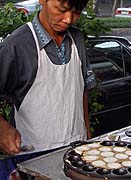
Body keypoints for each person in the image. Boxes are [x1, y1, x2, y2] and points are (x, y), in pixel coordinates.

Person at [0, 0, 96, 179]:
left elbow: (81, 89)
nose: (68, 19)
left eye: (76, 12)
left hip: (77, 151)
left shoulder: (78, 40)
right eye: (61, 9)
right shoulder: (16, 45)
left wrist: (87, 136)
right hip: (33, 157)